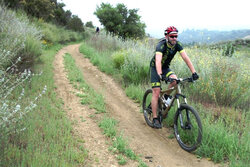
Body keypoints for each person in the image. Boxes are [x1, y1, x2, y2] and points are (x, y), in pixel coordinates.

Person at [150, 26, 199, 129]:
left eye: (176, 36)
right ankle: (155, 118)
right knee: (156, 91)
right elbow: (158, 61)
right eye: (172, 36)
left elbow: (185, 58)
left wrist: (194, 72)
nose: (174, 38)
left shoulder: (177, 45)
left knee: (175, 80)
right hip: (155, 68)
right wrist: (160, 75)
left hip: (166, 68)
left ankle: (164, 99)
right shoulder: (161, 45)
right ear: (167, 36)